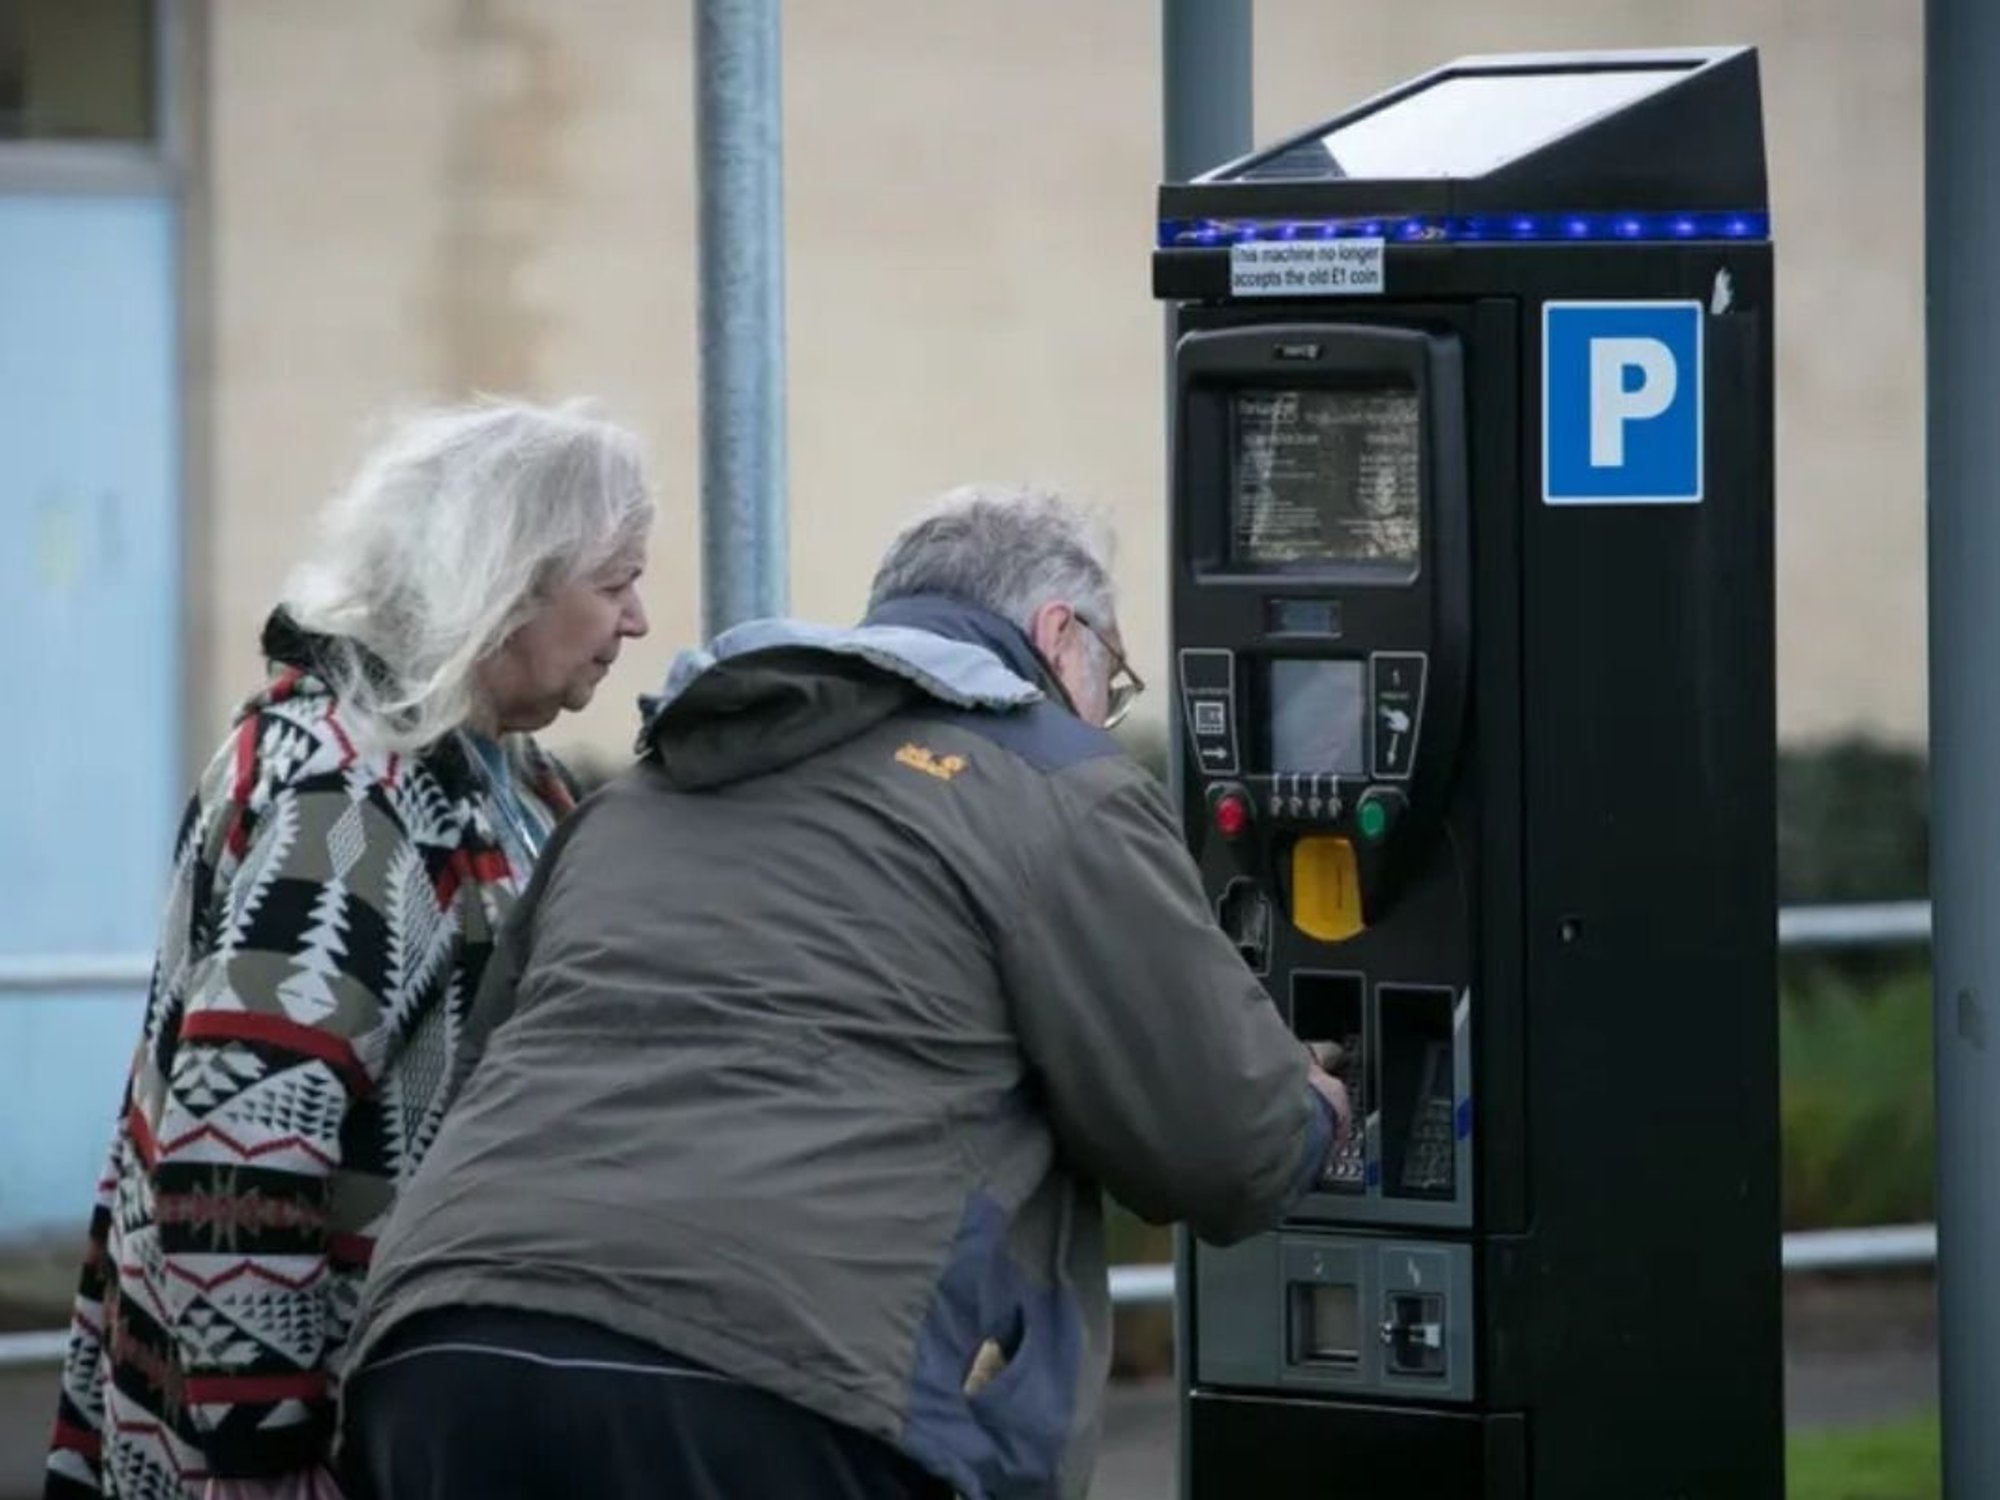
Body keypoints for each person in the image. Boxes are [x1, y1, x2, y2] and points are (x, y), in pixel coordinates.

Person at [336, 483, 1348, 1500]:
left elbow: (484, 1074)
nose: (1102, 714)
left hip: (442, 1353)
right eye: (1109, 678)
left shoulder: (637, 798)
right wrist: (1317, 1107)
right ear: (1058, 634)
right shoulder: (1051, 786)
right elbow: (1223, 1144)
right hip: (773, 1379)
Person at [44, 398, 655, 1500]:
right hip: (311, 1439)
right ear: (507, 583)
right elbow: (239, 1143)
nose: (639, 621)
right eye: (615, 585)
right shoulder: (345, 796)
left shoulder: (501, 776)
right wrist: (264, 1450)